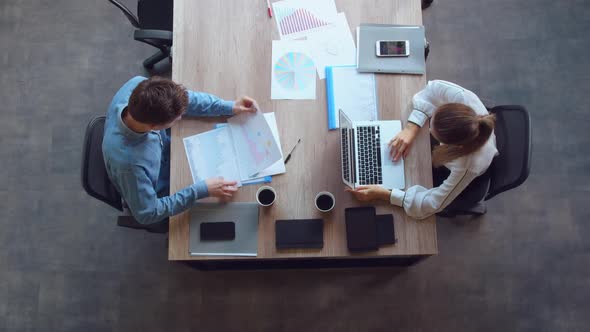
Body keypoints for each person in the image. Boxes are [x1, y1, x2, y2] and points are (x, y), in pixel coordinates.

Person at [103, 76, 258, 225]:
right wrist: (199, 191)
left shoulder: (138, 86)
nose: (180, 117)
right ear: (154, 127)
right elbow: (147, 214)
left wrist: (228, 106)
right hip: (162, 186)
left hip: (168, 153)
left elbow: (185, 100)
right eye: (176, 118)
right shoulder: (131, 166)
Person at [347, 80, 498, 220]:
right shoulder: (462, 98)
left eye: (434, 133)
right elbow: (433, 89)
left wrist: (384, 194)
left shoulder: (467, 166)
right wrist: (411, 127)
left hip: (464, 179)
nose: (429, 130)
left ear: (454, 146)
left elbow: (433, 204)